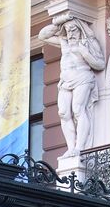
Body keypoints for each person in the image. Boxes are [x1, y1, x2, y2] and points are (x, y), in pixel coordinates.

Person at [38, 15, 106, 158]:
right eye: (68, 30)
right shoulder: (64, 42)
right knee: (63, 113)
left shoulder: (88, 43)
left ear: (80, 29)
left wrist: (85, 53)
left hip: (82, 77)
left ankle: (79, 147)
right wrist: (59, 23)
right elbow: (43, 35)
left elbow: (99, 64)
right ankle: (70, 148)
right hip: (65, 80)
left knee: (78, 109)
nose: (71, 33)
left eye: (74, 29)